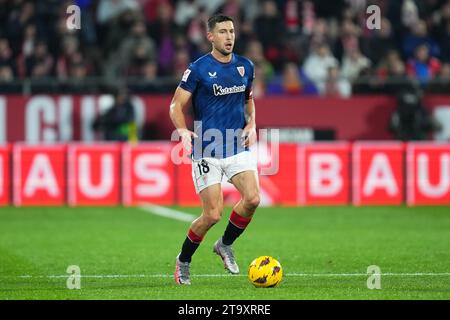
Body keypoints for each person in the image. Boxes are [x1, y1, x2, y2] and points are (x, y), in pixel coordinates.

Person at [169, 14, 260, 285]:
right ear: (211, 36)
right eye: (222, 32)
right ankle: (183, 260)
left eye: (231, 31)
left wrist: (253, 123)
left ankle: (225, 244)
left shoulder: (245, 66)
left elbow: (249, 100)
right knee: (212, 214)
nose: (229, 37)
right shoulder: (198, 69)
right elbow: (176, 106)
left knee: (253, 199)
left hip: (236, 145)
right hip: (207, 149)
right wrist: (183, 131)